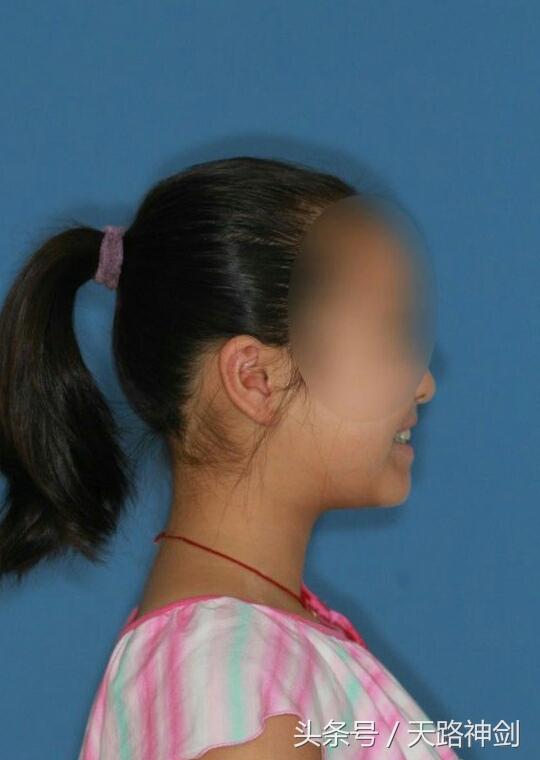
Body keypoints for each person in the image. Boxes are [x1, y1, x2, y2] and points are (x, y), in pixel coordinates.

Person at [0, 157, 460, 759]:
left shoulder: (243, 661)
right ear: (255, 380)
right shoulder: (240, 688)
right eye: (383, 336)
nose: (423, 384)